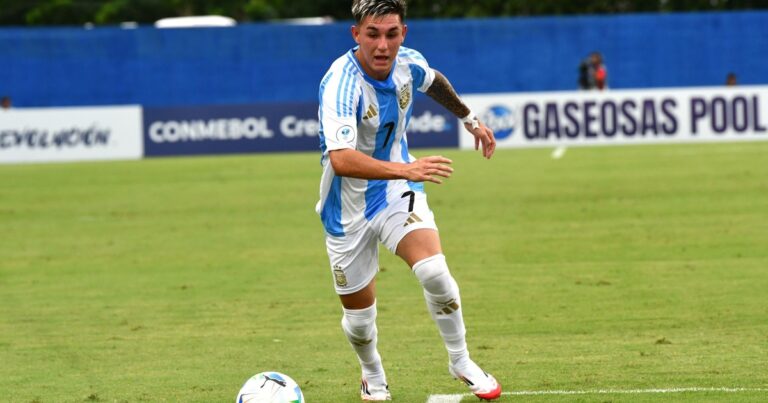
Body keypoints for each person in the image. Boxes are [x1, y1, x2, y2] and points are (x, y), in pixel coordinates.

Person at [315, 0, 501, 400]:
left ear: (403, 33)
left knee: (434, 271)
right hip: (346, 209)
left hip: (397, 192)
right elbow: (342, 160)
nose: (383, 45)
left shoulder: (406, 62)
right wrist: (407, 170)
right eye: (373, 34)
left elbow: (432, 81)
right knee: (359, 321)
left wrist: (471, 120)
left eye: (392, 34)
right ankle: (372, 372)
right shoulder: (340, 83)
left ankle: (461, 360)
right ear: (355, 35)